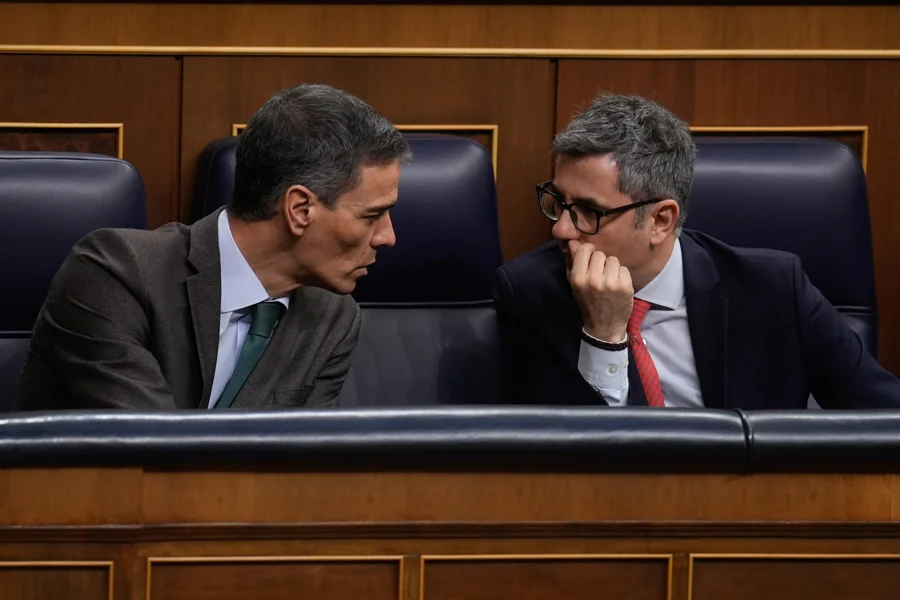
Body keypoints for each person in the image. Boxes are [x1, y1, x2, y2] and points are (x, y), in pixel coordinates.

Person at [15, 83, 411, 410]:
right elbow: (151, 455)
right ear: (300, 209)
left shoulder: (332, 318)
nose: (387, 236)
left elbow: (302, 470)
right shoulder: (116, 273)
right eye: (371, 216)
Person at [494, 93, 900, 409]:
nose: (561, 228)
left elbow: (882, 419)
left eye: (588, 211)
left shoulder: (774, 289)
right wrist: (603, 338)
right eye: (558, 201)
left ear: (661, 221)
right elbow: (554, 464)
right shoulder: (531, 293)